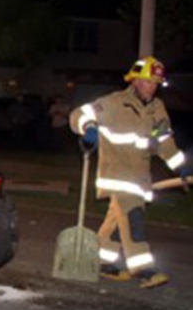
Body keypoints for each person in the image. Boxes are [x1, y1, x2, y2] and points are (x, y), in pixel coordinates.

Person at [69, 56, 191, 288]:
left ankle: (103, 261)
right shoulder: (115, 103)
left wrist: (180, 166)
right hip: (117, 176)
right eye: (147, 81)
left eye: (156, 83)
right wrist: (90, 128)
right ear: (134, 80)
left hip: (139, 178)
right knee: (132, 219)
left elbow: (164, 141)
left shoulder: (157, 109)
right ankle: (143, 269)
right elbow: (79, 115)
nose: (152, 87)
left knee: (117, 220)